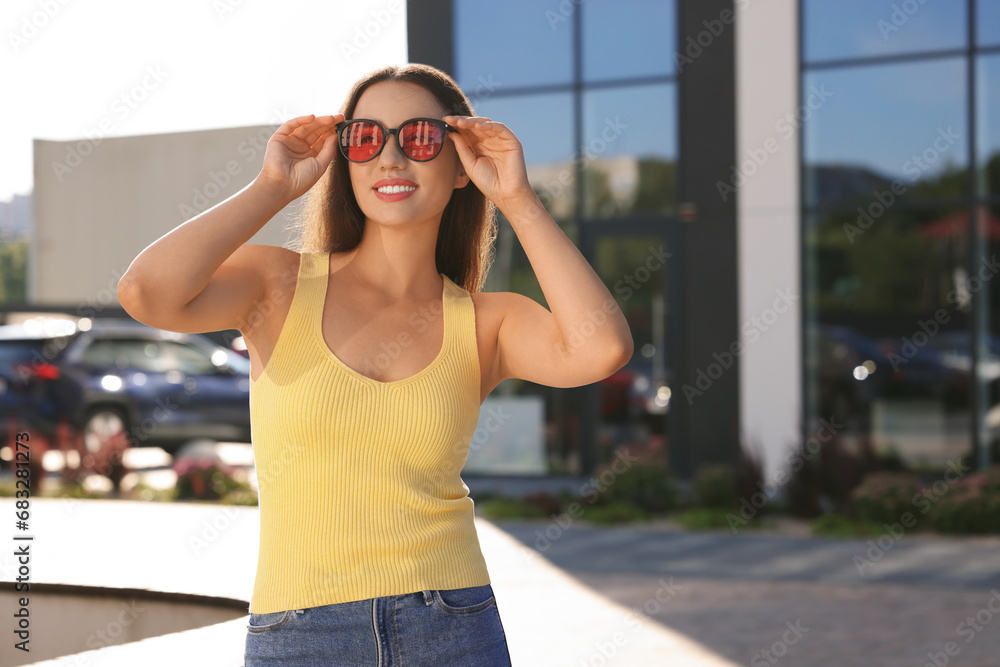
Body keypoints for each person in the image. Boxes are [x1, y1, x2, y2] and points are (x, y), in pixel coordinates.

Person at [117, 63, 633, 666]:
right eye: (365, 137)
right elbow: (146, 292)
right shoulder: (277, 285)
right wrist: (273, 186)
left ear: (460, 164)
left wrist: (516, 197)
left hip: (452, 622)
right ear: (346, 160)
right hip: (300, 633)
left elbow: (602, 349)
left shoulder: (487, 320)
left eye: (419, 137)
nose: (391, 157)